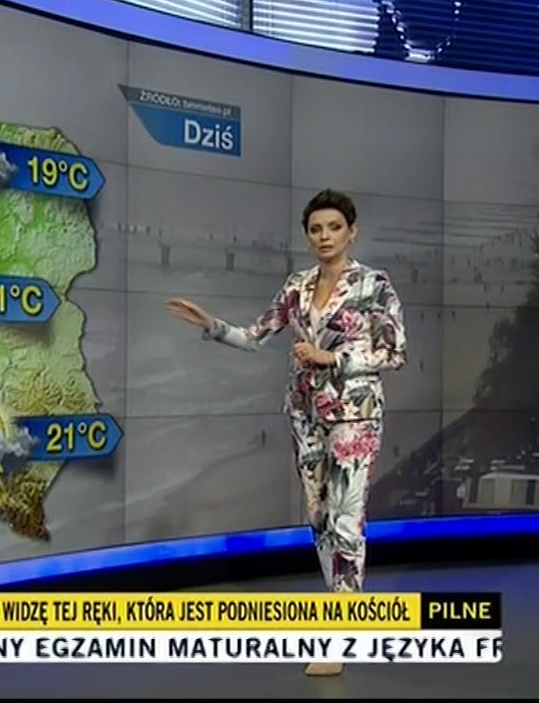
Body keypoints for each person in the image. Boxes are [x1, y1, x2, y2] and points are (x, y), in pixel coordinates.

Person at [165, 189, 407, 677]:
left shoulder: (374, 284)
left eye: (334, 227)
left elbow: (394, 353)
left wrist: (332, 357)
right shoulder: (297, 285)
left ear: (352, 232)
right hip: (304, 414)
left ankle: (341, 636)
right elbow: (256, 336)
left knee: (346, 521)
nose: (324, 236)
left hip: (354, 417)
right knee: (319, 519)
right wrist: (212, 325)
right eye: (316, 229)